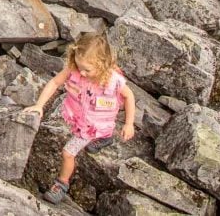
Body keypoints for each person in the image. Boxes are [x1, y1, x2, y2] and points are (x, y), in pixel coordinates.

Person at [23, 33, 136, 205]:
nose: (81, 72)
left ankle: (61, 184)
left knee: (67, 153)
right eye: (78, 65)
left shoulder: (114, 80)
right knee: (99, 132)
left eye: (87, 70)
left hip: (94, 124)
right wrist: (39, 105)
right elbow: (54, 83)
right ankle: (104, 138)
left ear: (103, 64)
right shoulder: (74, 70)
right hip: (82, 119)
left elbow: (129, 97)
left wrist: (129, 124)